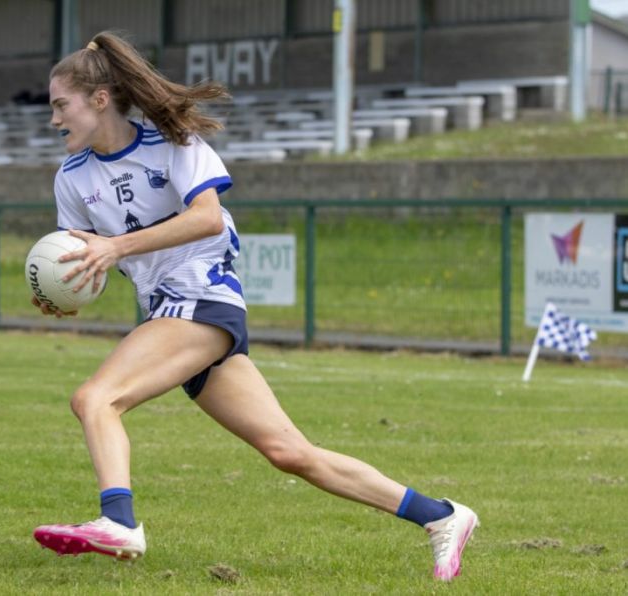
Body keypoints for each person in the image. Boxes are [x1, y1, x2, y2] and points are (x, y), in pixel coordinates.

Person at [31, 31, 479, 582]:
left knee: (96, 397)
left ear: (99, 100)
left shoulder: (174, 143)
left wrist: (116, 247)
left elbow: (207, 218)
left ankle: (118, 522)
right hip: (165, 312)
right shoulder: (72, 178)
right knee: (289, 451)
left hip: (202, 298)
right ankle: (442, 517)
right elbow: (77, 257)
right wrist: (63, 291)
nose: (53, 119)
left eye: (60, 105)